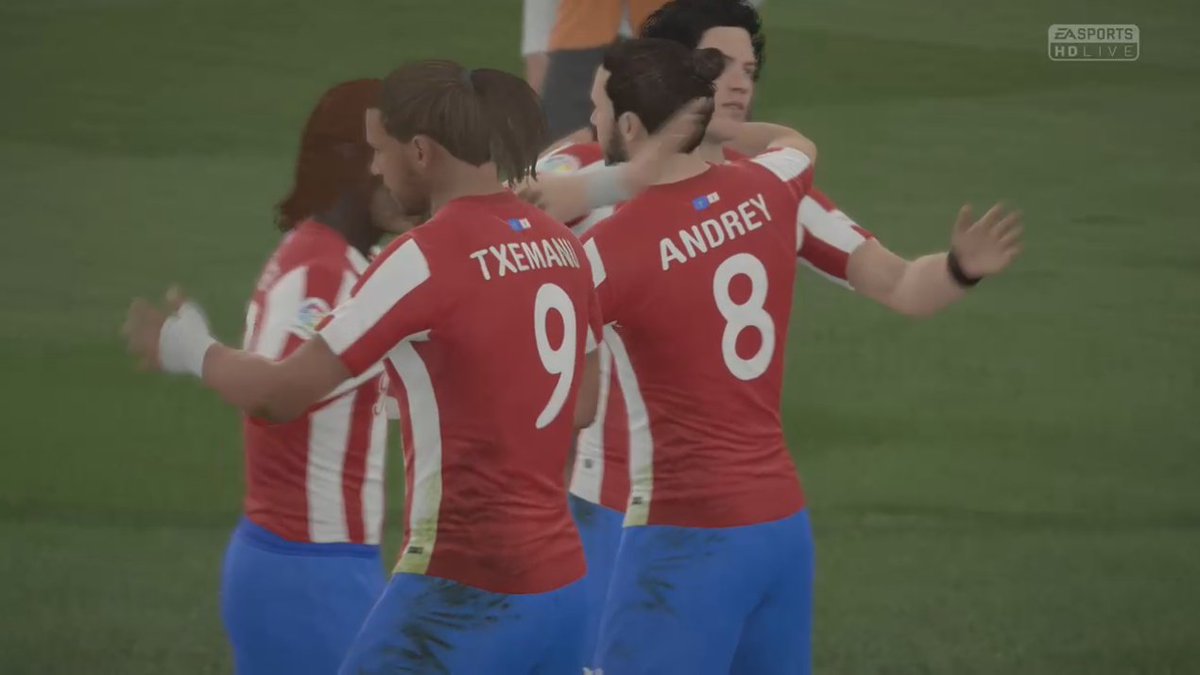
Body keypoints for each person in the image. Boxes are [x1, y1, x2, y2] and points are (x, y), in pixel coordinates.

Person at [123, 60, 606, 673]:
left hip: (459, 589)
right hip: (562, 588)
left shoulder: (420, 258)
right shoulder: (561, 244)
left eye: (383, 152)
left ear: (421, 153)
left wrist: (188, 347)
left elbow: (279, 396)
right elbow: (581, 405)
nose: (376, 169)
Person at [579, 38, 1023, 674]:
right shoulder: (772, 188)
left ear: (628, 125)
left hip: (683, 537)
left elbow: (537, 360)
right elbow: (798, 144)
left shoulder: (606, 254)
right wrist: (958, 269)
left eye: (598, 110)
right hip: (780, 527)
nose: (590, 122)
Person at [216, 78, 412, 675]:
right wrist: (195, 353)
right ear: (356, 165)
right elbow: (272, 396)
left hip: (313, 562)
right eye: (394, 160)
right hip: (309, 567)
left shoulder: (335, 259)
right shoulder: (324, 276)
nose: (407, 180)